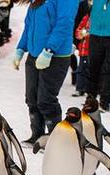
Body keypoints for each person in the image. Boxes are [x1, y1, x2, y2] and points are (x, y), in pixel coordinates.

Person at [13, 0, 78, 143]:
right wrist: (20, 48)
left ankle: (55, 140)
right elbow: (29, 25)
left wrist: (49, 50)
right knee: (32, 98)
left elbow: (64, 24)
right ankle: (37, 135)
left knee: (46, 100)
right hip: (34, 55)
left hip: (56, 56)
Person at [87, 0, 110, 110]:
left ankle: (105, 101)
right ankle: (91, 98)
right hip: (95, 34)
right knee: (93, 67)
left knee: (107, 69)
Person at [74, 12, 90, 97]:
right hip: (83, 50)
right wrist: (82, 33)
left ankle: (89, 89)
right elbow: (78, 31)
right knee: (81, 70)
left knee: (90, 70)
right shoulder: (86, 17)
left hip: (93, 50)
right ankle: (80, 89)